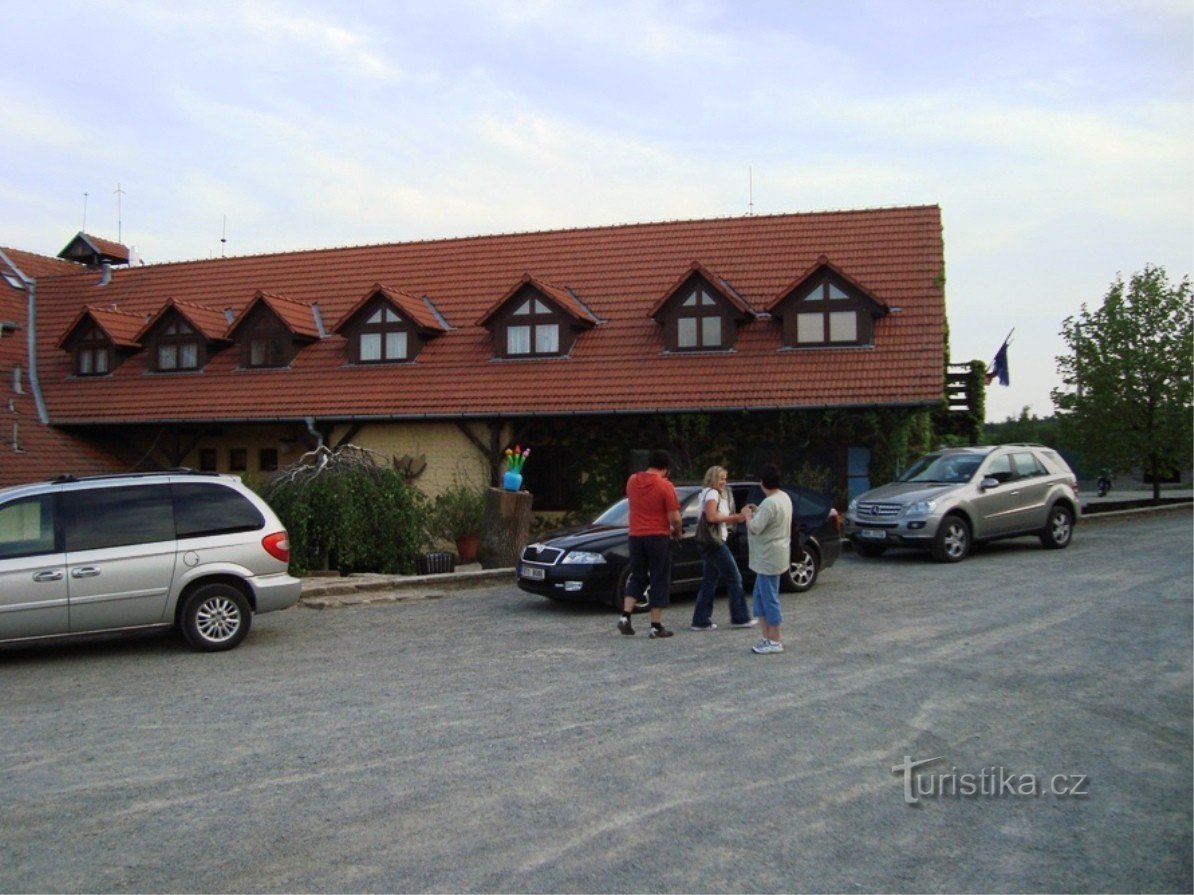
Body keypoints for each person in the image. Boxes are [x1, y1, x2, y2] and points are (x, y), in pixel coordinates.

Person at [618, 449, 682, 638]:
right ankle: (655, 625)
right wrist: (676, 531)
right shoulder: (665, 486)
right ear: (666, 468)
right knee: (659, 578)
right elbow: (675, 517)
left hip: (635, 535)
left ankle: (625, 615)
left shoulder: (632, 481)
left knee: (637, 575)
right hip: (657, 535)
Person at [690, 465, 756, 631]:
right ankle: (740, 617)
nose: (723, 482)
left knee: (709, 581)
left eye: (725, 478)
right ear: (713, 478)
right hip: (715, 543)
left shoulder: (704, 493)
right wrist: (735, 517)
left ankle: (701, 619)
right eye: (721, 478)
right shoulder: (712, 494)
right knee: (734, 577)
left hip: (708, 543)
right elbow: (711, 516)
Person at [741, 463, 792, 654]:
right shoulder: (783, 497)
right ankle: (767, 636)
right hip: (773, 555)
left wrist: (747, 515)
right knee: (760, 596)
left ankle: (775, 639)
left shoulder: (770, 502)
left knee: (769, 598)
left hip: (768, 557)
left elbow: (755, 527)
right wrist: (757, 510)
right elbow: (767, 518)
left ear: (763, 483)